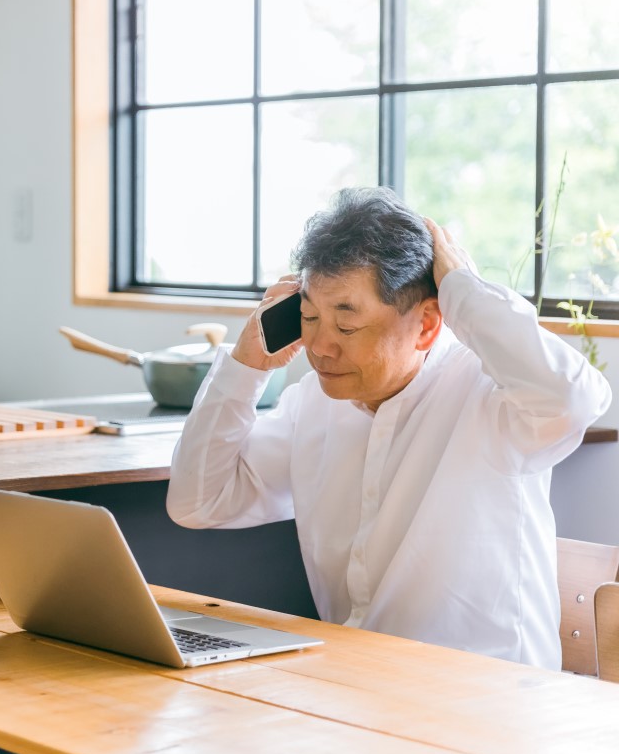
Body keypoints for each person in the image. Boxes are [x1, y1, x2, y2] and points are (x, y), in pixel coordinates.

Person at [167, 186, 611, 669]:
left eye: (347, 326)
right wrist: (246, 365)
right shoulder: (313, 403)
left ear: (426, 325)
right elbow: (198, 502)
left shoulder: (492, 398)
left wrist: (464, 290)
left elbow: (577, 398)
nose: (320, 348)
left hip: (484, 704)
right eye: (309, 317)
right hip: (356, 690)